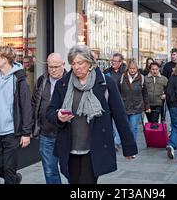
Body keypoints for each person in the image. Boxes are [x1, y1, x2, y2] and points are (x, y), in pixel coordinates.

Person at [46, 45, 137, 184]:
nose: (76, 67)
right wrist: (58, 116)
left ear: (89, 63)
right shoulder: (63, 84)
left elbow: (120, 116)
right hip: (70, 148)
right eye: (73, 63)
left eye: (80, 63)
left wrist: (129, 147)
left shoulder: (106, 83)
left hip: (94, 148)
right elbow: (50, 111)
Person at [0, 46, 33, 184]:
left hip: (12, 131)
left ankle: (11, 178)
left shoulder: (19, 79)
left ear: (4, 59)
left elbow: (26, 107)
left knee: (9, 167)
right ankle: (15, 179)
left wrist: (26, 132)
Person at [32, 53, 66, 184]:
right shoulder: (42, 80)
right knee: (49, 170)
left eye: (56, 66)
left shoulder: (70, 81)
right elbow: (34, 103)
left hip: (66, 133)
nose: (53, 69)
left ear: (63, 64)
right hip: (46, 133)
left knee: (69, 170)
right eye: (50, 66)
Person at [119, 59, 151, 142]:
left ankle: (132, 144)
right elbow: (118, 92)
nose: (132, 70)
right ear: (128, 68)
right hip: (124, 106)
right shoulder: (123, 77)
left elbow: (145, 94)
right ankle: (125, 142)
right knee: (125, 127)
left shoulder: (142, 78)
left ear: (137, 68)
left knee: (133, 127)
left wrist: (147, 106)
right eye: (130, 68)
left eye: (134, 68)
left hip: (136, 107)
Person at [103, 53, 127, 151]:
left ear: (120, 62)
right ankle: (113, 140)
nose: (113, 63)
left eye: (115, 61)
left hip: (121, 101)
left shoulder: (125, 73)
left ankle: (117, 142)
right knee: (110, 123)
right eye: (112, 61)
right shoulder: (107, 72)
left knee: (118, 122)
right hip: (108, 100)